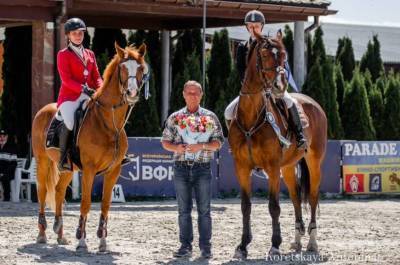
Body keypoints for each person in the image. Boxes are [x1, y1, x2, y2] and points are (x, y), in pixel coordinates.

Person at [224, 10, 307, 149]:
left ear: (261, 26)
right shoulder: (242, 47)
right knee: (228, 111)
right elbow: (240, 71)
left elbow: (278, 66)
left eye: (256, 26)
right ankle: (235, 141)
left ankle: (299, 136)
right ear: (247, 27)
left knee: (289, 101)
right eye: (250, 26)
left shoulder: (270, 45)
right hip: (251, 91)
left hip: (272, 87)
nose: (253, 29)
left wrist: (273, 83)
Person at [56, 17, 130, 171]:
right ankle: (64, 157)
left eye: (81, 33)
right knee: (70, 121)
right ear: (68, 35)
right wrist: (83, 89)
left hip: (90, 94)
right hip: (70, 96)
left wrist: (100, 88)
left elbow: (96, 76)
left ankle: (118, 154)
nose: (78, 36)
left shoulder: (89, 54)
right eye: (74, 33)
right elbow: (66, 79)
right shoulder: (63, 55)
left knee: (109, 114)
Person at [161, 80, 224, 259]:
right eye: (189, 93)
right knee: (183, 210)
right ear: (183, 94)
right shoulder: (175, 117)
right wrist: (177, 148)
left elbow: (219, 142)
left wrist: (202, 146)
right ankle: (185, 246)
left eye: (196, 93)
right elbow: (165, 141)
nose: (192, 96)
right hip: (181, 168)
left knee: (204, 210)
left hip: (202, 168)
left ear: (201, 95)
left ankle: (205, 247)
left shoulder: (210, 117)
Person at [0, 130, 17, 201]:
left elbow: (13, 164)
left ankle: (6, 198)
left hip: (7, 172)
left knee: (5, 178)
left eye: (4, 136)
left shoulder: (11, 148)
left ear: (7, 137)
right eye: (0, 136)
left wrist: (3, 173)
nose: (2, 138)